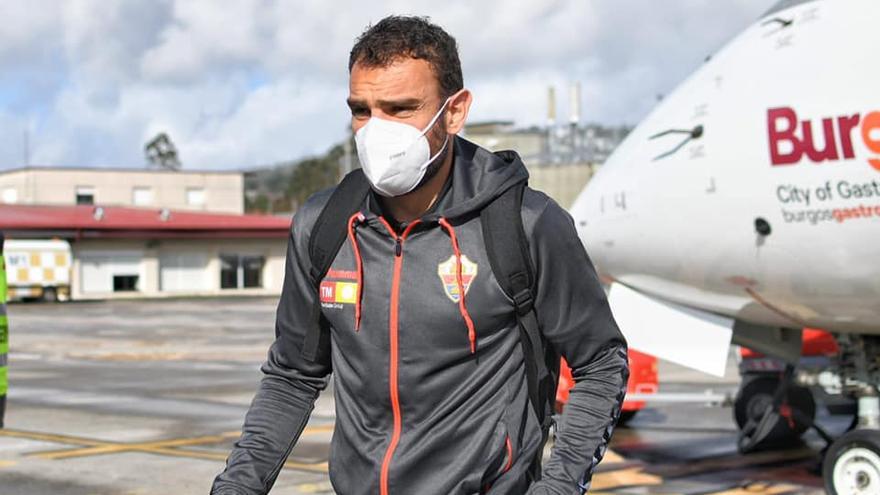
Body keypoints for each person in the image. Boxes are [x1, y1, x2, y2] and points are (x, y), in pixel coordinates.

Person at [212, 15, 628, 495]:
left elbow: (600, 362)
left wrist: (557, 486)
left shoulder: (526, 223)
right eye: (362, 110)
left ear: (454, 112)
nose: (376, 131)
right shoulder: (324, 225)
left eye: (401, 108)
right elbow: (292, 375)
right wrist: (235, 486)